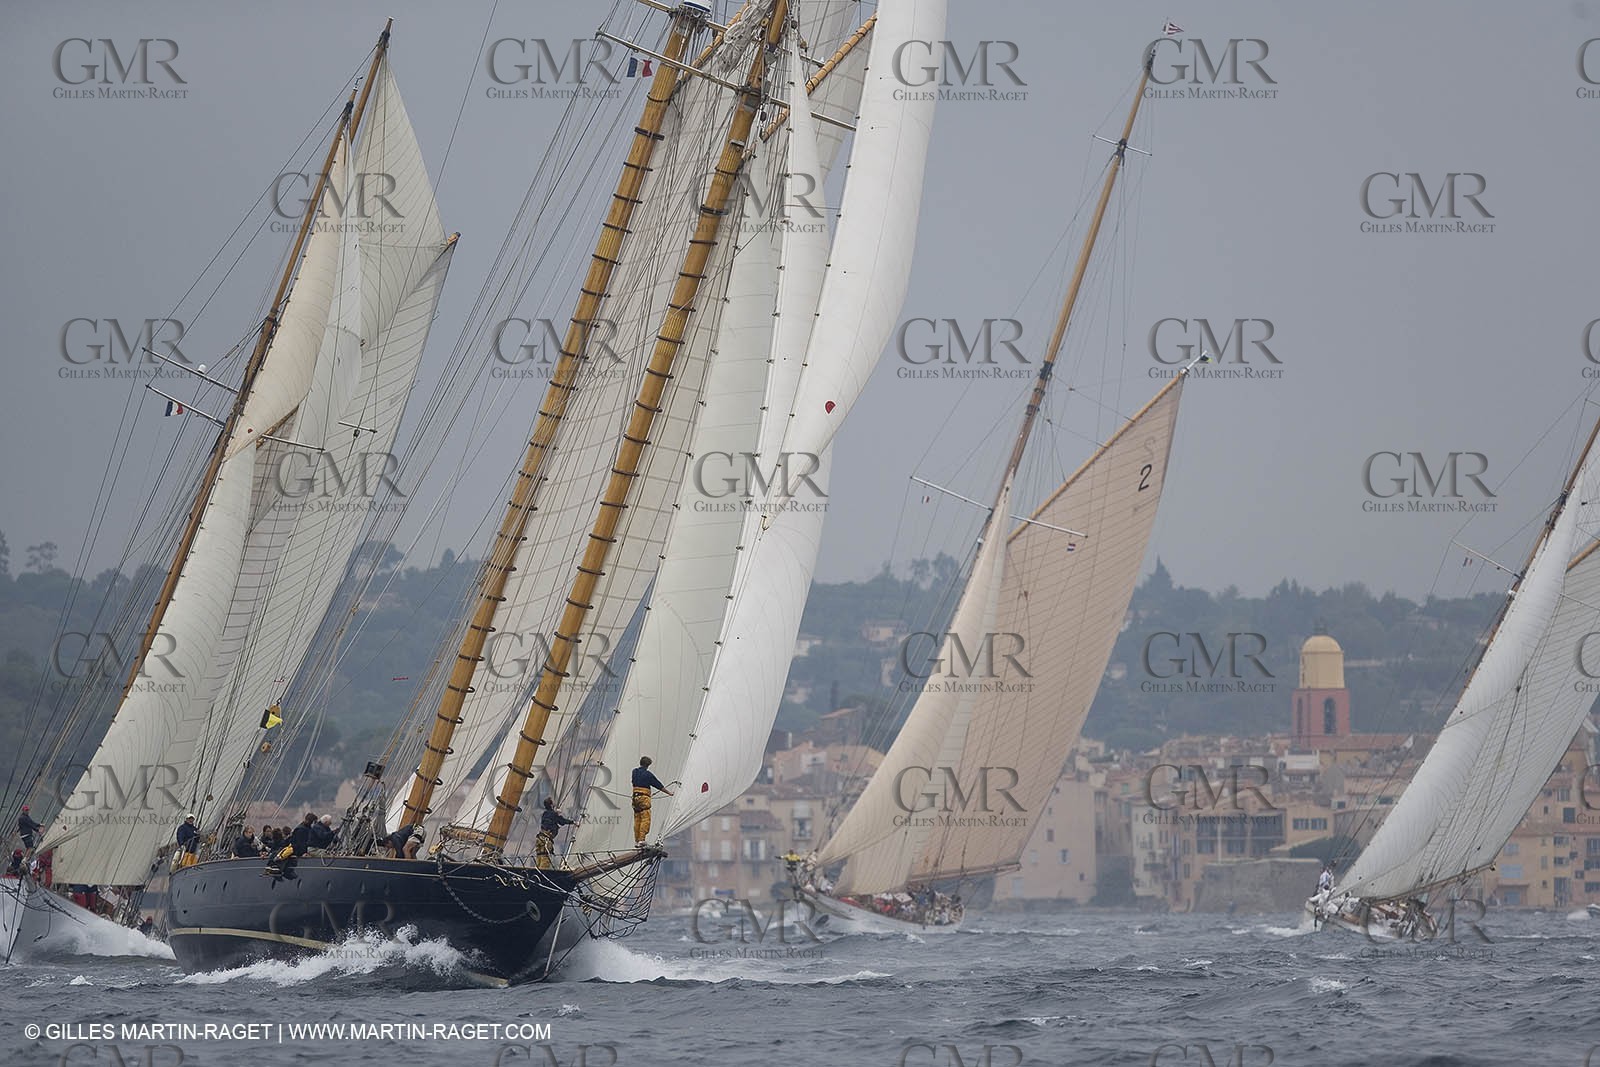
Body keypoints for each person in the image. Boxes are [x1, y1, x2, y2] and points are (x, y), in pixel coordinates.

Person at [631, 756, 674, 847]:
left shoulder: (634, 772)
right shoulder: (648, 775)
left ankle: (637, 840)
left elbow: (635, 783)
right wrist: (669, 793)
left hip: (635, 798)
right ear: (648, 765)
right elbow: (658, 785)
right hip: (644, 799)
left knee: (637, 819)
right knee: (645, 818)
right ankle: (641, 840)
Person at [535, 798, 577, 869]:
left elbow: (550, 818)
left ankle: (536, 872)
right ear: (551, 805)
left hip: (539, 838)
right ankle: (542, 875)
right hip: (546, 840)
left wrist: (555, 813)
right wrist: (573, 822)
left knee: (539, 856)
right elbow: (562, 821)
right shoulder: (553, 814)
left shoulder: (545, 814)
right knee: (545, 859)